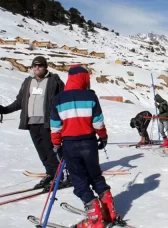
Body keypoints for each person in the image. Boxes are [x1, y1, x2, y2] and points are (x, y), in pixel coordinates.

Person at [50, 65, 117, 228]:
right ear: (84, 79)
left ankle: (95, 218)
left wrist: (56, 144)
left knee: (79, 180)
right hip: (89, 142)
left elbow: (55, 126)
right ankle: (109, 210)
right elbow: (98, 121)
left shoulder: (58, 99)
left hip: (70, 144)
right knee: (95, 176)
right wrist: (103, 136)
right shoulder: (91, 97)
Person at [0, 56, 70, 191]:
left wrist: (65, 120)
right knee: (41, 151)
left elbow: (63, 100)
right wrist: (4, 109)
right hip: (32, 122)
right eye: (34, 66)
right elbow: (20, 101)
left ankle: (59, 176)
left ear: (45, 67)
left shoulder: (54, 81)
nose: (37, 68)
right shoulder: (28, 82)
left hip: (48, 122)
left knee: (50, 150)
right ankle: (51, 173)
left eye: (40, 66)